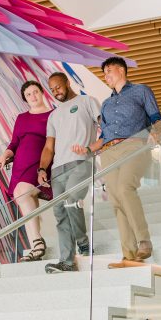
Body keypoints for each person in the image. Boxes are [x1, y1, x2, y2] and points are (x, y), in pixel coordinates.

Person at [72, 57, 161, 268]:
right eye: (104, 73)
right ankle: (129, 255)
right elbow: (103, 136)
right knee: (116, 201)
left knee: (125, 188)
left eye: (109, 71)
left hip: (134, 145)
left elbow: (157, 118)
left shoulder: (141, 91)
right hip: (109, 152)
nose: (106, 76)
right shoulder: (106, 103)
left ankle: (144, 240)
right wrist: (87, 149)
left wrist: (155, 133)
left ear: (122, 70)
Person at [37, 72, 101, 273]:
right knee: (60, 212)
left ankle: (82, 241)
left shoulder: (87, 101)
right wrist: (41, 168)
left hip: (81, 161)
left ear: (67, 82)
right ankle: (67, 261)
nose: (56, 91)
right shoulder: (53, 115)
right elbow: (49, 147)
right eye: (52, 89)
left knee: (73, 199)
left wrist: (93, 148)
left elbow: (105, 127)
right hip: (57, 168)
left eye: (58, 86)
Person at [0, 80, 53, 262]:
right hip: (20, 166)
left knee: (22, 193)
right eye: (28, 95)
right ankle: (37, 244)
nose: (33, 96)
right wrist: (5, 155)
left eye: (35, 92)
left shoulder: (54, 115)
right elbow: (14, 143)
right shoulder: (21, 118)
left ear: (42, 93)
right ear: (25, 99)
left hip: (41, 163)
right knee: (24, 198)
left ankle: (37, 242)